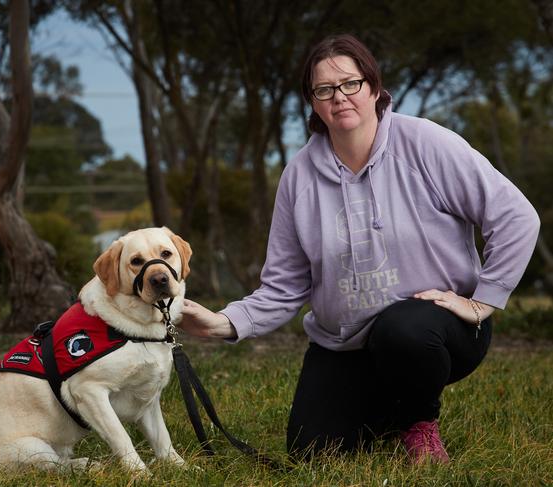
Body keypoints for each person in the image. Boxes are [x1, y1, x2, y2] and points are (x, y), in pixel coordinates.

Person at [179, 34, 540, 464]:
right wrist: (222, 323)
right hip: (346, 344)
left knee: (402, 330)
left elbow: (517, 216)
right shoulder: (299, 177)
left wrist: (482, 302)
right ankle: (391, 410)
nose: (340, 97)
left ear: (374, 88)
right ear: (312, 102)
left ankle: (420, 424)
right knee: (313, 450)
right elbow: (284, 286)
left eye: (350, 83)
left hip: (435, 332)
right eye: (325, 89)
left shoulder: (425, 143)